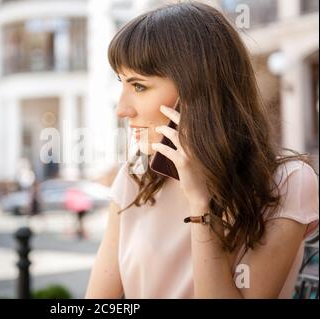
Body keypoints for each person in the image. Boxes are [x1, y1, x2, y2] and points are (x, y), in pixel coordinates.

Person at [85, 2, 319, 299]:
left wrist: (200, 204)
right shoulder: (136, 177)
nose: (122, 110)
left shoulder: (289, 182)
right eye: (122, 83)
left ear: (196, 91)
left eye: (139, 86)